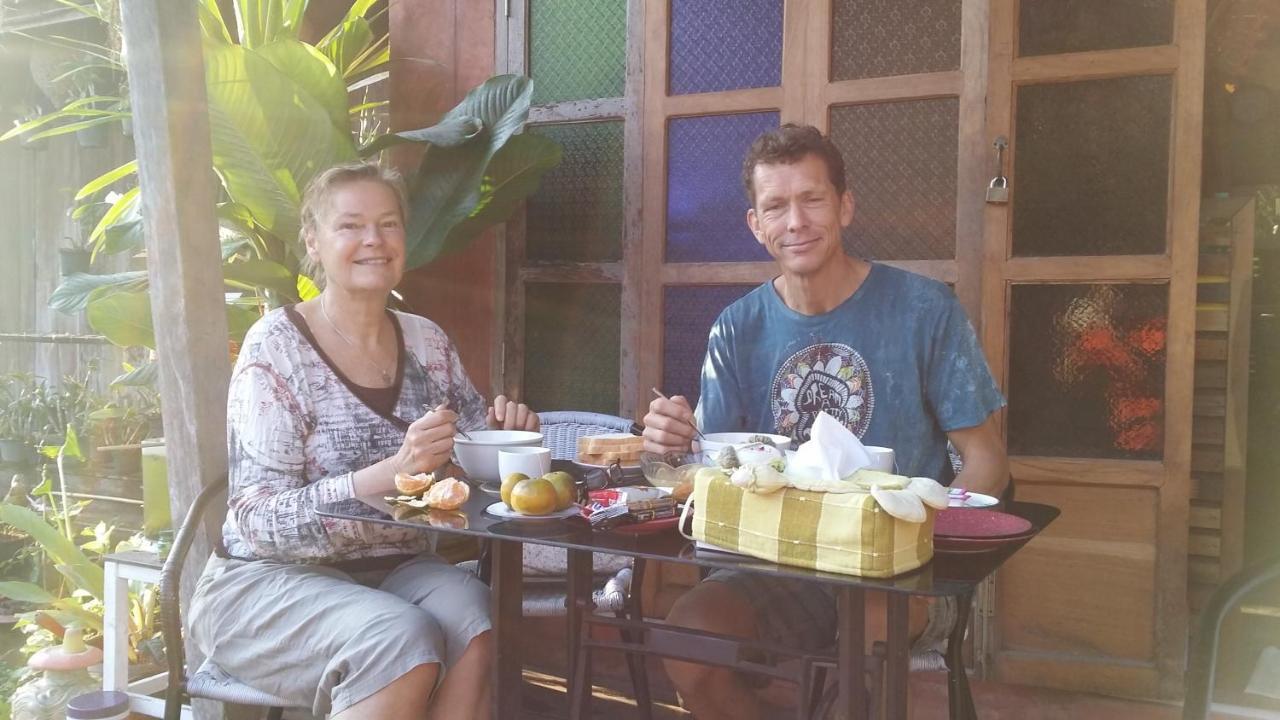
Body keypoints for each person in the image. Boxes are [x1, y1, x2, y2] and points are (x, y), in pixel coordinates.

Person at [643, 124, 1009, 719]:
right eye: (776, 206)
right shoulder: (736, 328)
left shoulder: (923, 309)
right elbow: (713, 468)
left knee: (862, 661)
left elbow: (989, 457)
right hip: (780, 559)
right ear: (755, 225)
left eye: (812, 199)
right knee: (688, 642)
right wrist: (671, 443)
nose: (796, 222)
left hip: (897, 567)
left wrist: (924, 541)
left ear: (844, 206)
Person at [189, 161, 538, 719]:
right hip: (262, 582)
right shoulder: (276, 348)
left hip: (392, 571)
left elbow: (468, 469)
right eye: (350, 225)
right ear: (314, 241)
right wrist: (385, 477)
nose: (373, 240)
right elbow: (258, 520)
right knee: (396, 638)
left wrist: (505, 446)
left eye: (389, 224)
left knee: (476, 617)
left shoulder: (428, 342)